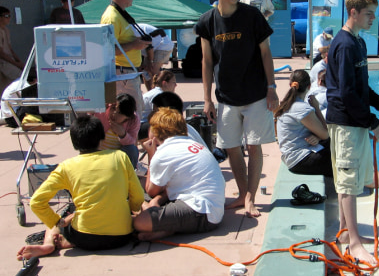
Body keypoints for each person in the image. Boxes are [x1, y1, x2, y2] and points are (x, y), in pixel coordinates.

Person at [196, 0, 278, 218]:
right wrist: (207, 99)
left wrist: (272, 87)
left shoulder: (252, 16)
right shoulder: (207, 21)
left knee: (254, 147)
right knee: (231, 147)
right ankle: (242, 193)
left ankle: (251, 198)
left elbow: (266, 53)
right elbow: (207, 61)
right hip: (226, 97)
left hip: (255, 94)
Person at [326, 0, 379, 265]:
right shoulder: (344, 44)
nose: (372, 19)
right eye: (368, 14)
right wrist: (372, 123)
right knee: (348, 184)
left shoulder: (358, 43)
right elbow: (345, 93)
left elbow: (360, 86)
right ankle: (354, 243)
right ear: (353, 13)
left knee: (353, 180)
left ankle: (346, 234)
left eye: (373, 14)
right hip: (345, 123)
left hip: (354, 121)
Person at [16, 115, 144, 260]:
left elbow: (36, 202)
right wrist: (130, 211)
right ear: (102, 137)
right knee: (80, 215)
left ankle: (48, 244)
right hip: (121, 237)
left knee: (65, 216)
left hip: (84, 238)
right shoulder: (120, 157)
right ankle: (68, 239)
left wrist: (57, 221)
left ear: (74, 143)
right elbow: (138, 197)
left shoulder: (66, 167)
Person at [277, 69, 379, 188]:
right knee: (352, 165)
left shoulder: (287, 104)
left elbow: (318, 133)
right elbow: (325, 134)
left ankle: (373, 172)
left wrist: (317, 135)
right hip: (300, 160)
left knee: (346, 146)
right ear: (309, 86)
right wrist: (316, 111)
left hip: (299, 154)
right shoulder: (302, 108)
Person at [133, 108, 225, 241]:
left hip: (201, 213)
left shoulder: (164, 152)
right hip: (213, 210)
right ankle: (168, 228)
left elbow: (151, 190)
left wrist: (151, 152)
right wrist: (157, 200)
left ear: (156, 131)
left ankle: (166, 226)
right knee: (154, 196)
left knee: (139, 221)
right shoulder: (191, 143)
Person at [101, 0, 151, 114]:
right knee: (131, 114)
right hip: (122, 74)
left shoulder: (119, 13)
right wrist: (134, 45)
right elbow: (106, 51)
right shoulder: (112, 17)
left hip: (128, 73)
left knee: (135, 113)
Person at [94, 93, 141, 169]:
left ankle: (129, 174)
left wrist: (123, 134)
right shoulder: (103, 112)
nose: (114, 113)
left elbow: (132, 141)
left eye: (119, 113)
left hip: (118, 156)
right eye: (113, 108)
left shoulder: (134, 120)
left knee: (132, 150)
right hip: (100, 154)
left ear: (127, 117)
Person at [132, 23, 174, 89]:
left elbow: (149, 46)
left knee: (153, 71)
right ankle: (150, 93)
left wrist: (150, 61)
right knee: (145, 73)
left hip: (163, 45)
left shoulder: (131, 32)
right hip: (151, 47)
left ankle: (159, 93)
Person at [0, 6, 24, 94]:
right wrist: (16, 64)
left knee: (6, 87)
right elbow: (1, 53)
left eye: (9, 16)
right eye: (6, 16)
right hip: (3, 63)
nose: (9, 18)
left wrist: (19, 61)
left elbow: (10, 49)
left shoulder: (6, 30)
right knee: (21, 79)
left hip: (9, 61)